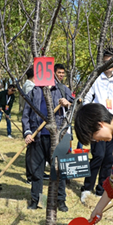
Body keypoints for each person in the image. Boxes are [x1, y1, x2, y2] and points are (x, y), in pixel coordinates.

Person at [22, 64, 74, 212]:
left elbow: (76, 106)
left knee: (59, 170)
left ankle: (60, 200)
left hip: (57, 137)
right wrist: (27, 132)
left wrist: (68, 104)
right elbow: (26, 115)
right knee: (36, 170)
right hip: (37, 137)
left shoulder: (62, 90)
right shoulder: (34, 92)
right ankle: (36, 199)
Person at [80, 49, 113, 204]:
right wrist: (91, 115)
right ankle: (86, 188)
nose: (109, 65)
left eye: (111, 62)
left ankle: (101, 190)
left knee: (109, 159)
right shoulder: (96, 80)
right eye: (106, 62)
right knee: (97, 156)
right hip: (99, 124)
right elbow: (86, 98)